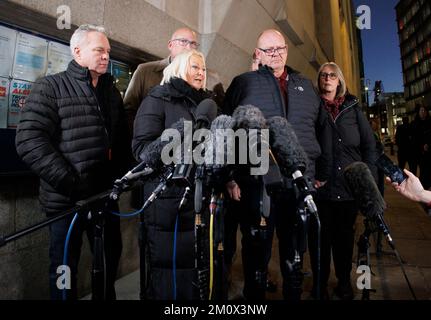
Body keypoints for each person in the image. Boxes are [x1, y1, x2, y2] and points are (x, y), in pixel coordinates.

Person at [15, 24, 132, 300]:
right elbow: (29, 140)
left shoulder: (110, 92)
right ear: (77, 51)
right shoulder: (50, 87)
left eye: (108, 52)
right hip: (66, 202)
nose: (106, 57)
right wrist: (73, 183)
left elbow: (121, 142)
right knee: (64, 269)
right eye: (99, 50)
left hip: (104, 199)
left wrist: (123, 176)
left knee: (107, 261)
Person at [223, 29, 321, 300]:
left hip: (298, 182)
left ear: (287, 50)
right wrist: (230, 177)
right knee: (257, 251)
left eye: (280, 48)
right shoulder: (243, 83)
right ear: (257, 54)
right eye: (269, 50)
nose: (276, 54)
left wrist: (318, 171)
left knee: (294, 255)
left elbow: (319, 128)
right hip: (258, 183)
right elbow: (227, 132)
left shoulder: (305, 85)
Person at [132, 50, 211, 299]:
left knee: (192, 274)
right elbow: (142, 149)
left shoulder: (204, 105)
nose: (201, 72)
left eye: (203, 69)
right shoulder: (157, 98)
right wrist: (179, 148)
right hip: (166, 201)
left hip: (197, 199)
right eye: (195, 67)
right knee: (168, 273)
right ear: (179, 68)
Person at [311, 62, 377, 300]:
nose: (327, 79)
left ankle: (344, 282)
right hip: (322, 190)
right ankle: (320, 287)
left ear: (339, 81)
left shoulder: (353, 108)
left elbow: (370, 147)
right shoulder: (313, 107)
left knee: (344, 240)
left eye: (332, 75)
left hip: (348, 191)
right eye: (323, 75)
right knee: (320, 240)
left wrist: (365, 179)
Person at [124, 27, 199, 131]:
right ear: (170, 45)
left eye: (193, 44)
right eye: (183, 41)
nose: (189, 47)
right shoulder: (145, 70)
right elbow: (129, 110)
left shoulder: (197, 77)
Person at [410, 105, 431, 189]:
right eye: (421, 111)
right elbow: (414, 139)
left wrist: (429, 144)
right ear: (418, 113)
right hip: (420, 153)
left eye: (424, 111)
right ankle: (424, 188)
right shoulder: (415, 124)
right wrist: (422, 146)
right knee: (423, 171)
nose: (423, 112)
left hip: (430, 151)